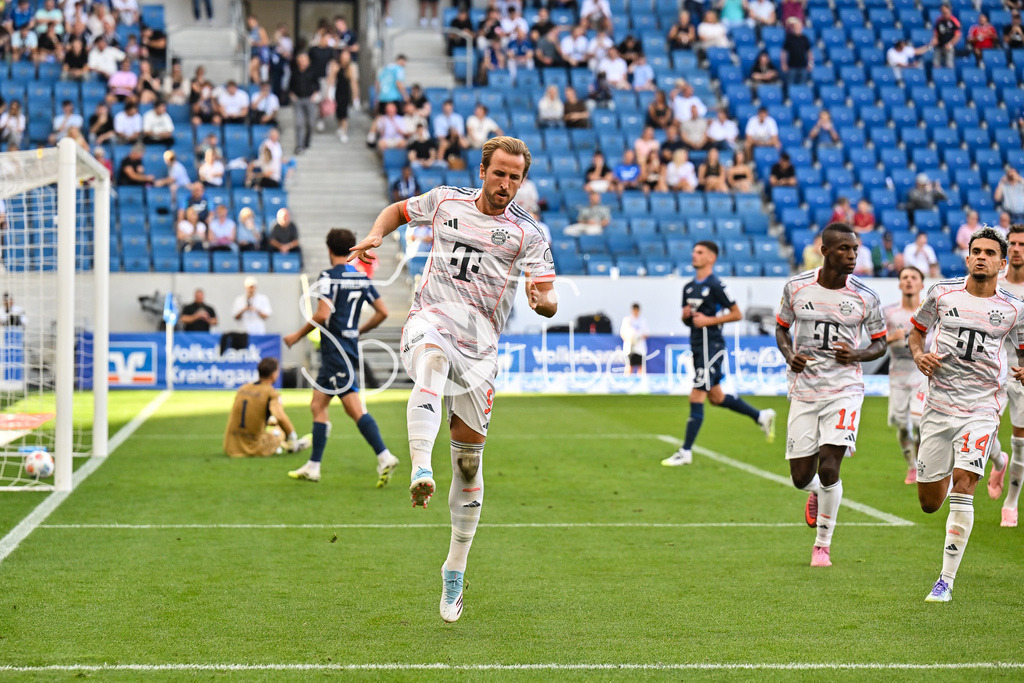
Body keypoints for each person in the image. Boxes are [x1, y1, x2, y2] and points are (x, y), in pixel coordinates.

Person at [348, 136, 557, 623]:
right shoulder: (445, 201)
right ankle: (421, 466)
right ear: (482, 169)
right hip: (431, 317)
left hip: (481, 349)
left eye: (515, 177)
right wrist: (378, 234)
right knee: (432, 359)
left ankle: (455, 568)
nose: (506, 184)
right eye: (499, 173)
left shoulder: (530, 235)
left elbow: (547, 297)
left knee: (467, 465)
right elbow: (398, 211)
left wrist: (541, 301)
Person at [909, 227, 1024, 602]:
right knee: (929, 503)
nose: (981, 257)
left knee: (964, 485)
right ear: (967, 256)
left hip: (981, 407)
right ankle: (998, 459)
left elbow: (1022, 349)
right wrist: (918, 355)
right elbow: (917, 331)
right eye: (976, 251)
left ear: (1002, 264)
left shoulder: (1012, 309)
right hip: (939, 406)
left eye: (990, 253)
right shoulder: (941, 293)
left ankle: (945, 580)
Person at [775, 222, 887, 567]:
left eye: (854, 249)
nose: (852, 255)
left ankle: (822, 545)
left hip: (844, 389)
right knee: (800, 478)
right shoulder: (796, 287)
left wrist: (857, 355)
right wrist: (789, 355)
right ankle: (815, 495)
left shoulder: (866, 296)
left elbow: (880, 343)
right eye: (844, 249)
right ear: (825, 251)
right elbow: (781, 329)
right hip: (805, 390)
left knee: (829, 468)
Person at [283, 228, 398, 486]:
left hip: (336, 353)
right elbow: (382, 311)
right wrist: (357, 331)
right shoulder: (360, 277)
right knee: (317, 405)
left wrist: (297, 335)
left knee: (354, 409)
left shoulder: (328, 277)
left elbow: (323, 314)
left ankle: (384, 455)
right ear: (350, 249)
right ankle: (313, 466)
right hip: (343, 349)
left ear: (328, 249)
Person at [663, 241, 776, 466]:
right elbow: (690, 322)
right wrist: (685, 317)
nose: (694, 255)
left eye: (700, 252)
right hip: (696, 345)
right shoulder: (688, 287)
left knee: (696, 395)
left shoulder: (716, 285)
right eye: (694, 251)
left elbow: (736, 314)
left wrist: (710, 321)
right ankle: (761, 416)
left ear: (711, 258)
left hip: (711, 347)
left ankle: (685, 451)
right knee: (716, 397)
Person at [990, 224, 1024, 527]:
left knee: (1021, 441)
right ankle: (998, 463)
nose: (1016, 248)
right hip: (993, 369)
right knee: (986, 432)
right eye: (1012, 243)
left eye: (1022, 244)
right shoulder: (994, 284)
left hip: (1023, 373)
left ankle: (1011, 504)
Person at [884, 266, 927, 484]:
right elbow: (875, 343)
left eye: (913, 277)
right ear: (899, 284)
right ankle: (911, 465)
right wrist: (892, 338)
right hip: (898, 376)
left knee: (919, 423)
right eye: (904, 278)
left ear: (921, 284)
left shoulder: (928, 313)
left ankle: (921, 463)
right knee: (902, 426)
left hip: (921, 375)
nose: (909, 281)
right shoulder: (889, 313)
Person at [224, 358, 310, 458]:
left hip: (231, 447)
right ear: (274, 374)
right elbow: (280, 416)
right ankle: (291, 445)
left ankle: (280, 444)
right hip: (252, 448)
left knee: (272, 424)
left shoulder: (243, 388)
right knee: (279, 431)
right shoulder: (270, 393)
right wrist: (292, 436)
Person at [781, 18, 812, 87]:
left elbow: (809, 52)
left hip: (803, 66)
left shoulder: (805, 38)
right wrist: (784, 64)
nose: (797, 29)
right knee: (790, 85)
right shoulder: (789, 38)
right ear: (793, 28)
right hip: (791, 66)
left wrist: (810, 63)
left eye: (799, 27)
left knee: (802, 85)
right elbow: (784, 53)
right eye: (796, 27)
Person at [620, 303, 648, 375]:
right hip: (630, 347)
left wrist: (638, 338)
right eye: (634, 310)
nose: (635, 312)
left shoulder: (643, 320)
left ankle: (641, 383)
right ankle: (627, 382)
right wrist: (630, 339)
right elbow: (622, 333)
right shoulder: (627, 320)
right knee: (629, 366)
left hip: (640, 348)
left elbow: (646, 333)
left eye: (637, 310)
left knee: (641, 366)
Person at [931, 4, 961, 68]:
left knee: (949, 64)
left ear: (949, 11)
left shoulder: (954, 21)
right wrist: (935, 39)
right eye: (942, 12)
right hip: (939, 45)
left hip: (949, 46)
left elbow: (957, 36)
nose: (944, 14)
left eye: (946, 12)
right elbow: (936, 32)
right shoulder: (939, 20)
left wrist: (950, 44)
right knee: (935, 64)